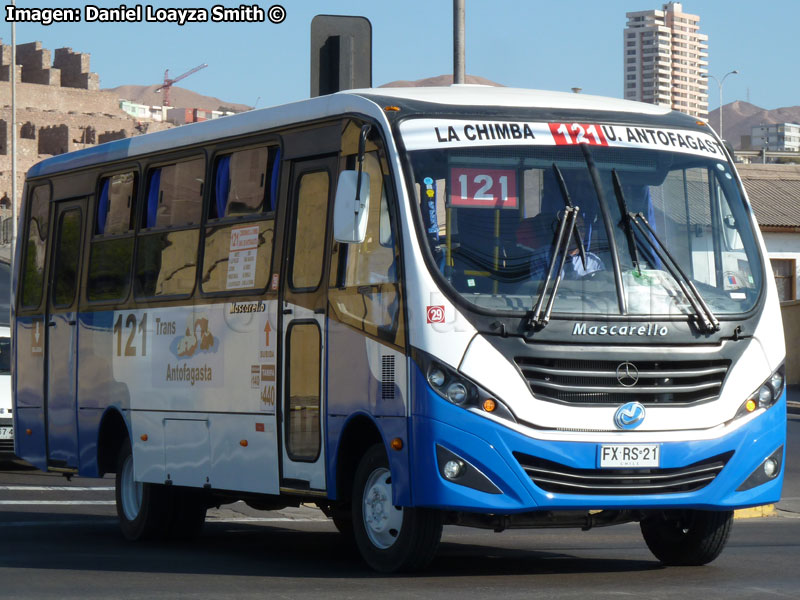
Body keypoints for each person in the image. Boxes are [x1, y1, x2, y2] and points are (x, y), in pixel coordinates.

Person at [516, 211, 604, 281]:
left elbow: (602, 289)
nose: (578, 233)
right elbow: (538, 287)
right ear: (560, 230)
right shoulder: (543, 255)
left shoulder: (593, 262)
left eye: (581, 229)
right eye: (573, 228)